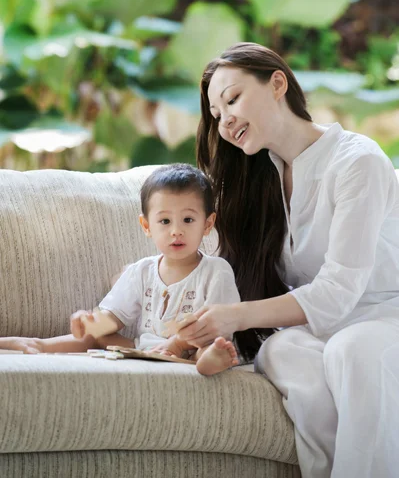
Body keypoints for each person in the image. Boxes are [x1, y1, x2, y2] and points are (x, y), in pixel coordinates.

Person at [175, 42, 399, 477]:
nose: (225, 121)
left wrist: (236, 316)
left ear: (277, 83)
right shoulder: (264, 180)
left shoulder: (358, 161)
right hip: (326, 329)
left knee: (352, 352)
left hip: (386, 317)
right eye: (217, 115)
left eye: (233, 99)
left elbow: (337, 292)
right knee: (281, 349)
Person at [0, 164, 240, 376]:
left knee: (211, 345)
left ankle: (212, 361)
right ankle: (36, 345)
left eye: (188, 220)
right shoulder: (141, 271)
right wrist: (90, 322)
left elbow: (217, 322)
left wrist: (177, 344)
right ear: (146, 226)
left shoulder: (216, 270)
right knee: (96, 337)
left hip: (192, 348)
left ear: (207, 224)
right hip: (144, 349)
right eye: (165, 221)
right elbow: (114, 317)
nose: (176, 231)